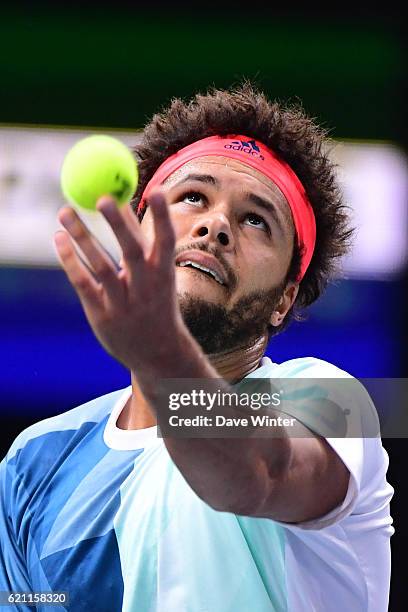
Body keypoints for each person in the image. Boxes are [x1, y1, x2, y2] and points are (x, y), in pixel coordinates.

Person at [0, 83, 393, 611]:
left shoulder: (330, 401)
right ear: (136, 231)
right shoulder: (34, 461)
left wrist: (163, 357)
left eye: (257, 220)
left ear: (284, 299)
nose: (216, 226)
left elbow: (256, 475)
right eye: (192, 197)